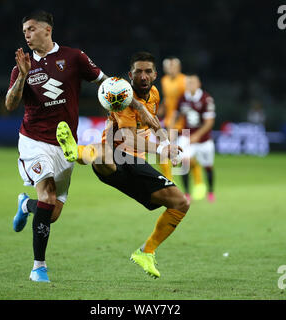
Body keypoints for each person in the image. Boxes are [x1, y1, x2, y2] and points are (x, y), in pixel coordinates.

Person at [5, 11, 158, 282]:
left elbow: (112, 86)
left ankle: (24, 206)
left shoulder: (74, 58)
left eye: (30, 29)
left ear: (46, 30)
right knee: (48, 197)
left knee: (51, 213)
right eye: (24, 31)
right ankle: (38, 267)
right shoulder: (23, 66)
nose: (26, 35)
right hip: (34, 140)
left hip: (65, 145)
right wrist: (21, 78)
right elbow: (9, 104)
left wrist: (140, 109)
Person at [57, 52, 189, 279]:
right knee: (103, 153)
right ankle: (74, 150)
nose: (144, 76)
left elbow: (154, 123)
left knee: (180, 203)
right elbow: (128, 139)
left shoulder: (154, 94)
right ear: (130, 75)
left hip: (133, 165)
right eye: (139, 71)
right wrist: (160, 150)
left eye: (148, 71)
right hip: (121, 155)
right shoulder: (121, 97)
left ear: (155, 75)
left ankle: (146, 252)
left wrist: (167, 143)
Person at [158, 57, 205, 198]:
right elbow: (168, 99)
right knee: (163, 154)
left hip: (183, 125)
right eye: (168, 66)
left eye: (173, 66)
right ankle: (169, 184)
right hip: (168, 123)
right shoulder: (164, 81)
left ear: (178, 68)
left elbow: (188, 101)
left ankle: (198, 182)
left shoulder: (184, 80)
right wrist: (160, 109)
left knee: (185, 158)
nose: (170, 69)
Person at [175, 75, 216, 203]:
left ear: (198, 84)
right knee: (184, 162)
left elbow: (209, 122)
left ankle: (210, 192)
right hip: (187, 137)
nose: (190, 85)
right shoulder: (182, 98)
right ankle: (187, 193)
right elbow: (177, 116)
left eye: (192, 82)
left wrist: (198, 135)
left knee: (208, 166)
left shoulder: (206, 99)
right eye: (188, 83)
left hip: (204, 139)